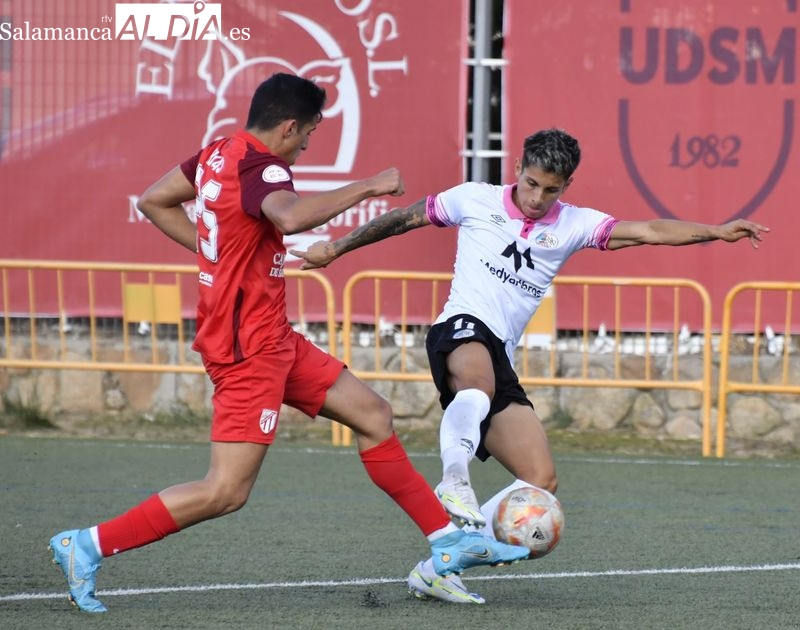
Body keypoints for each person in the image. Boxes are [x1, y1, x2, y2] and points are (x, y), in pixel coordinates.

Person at [48, 73, 530, 614]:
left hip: (272, 339)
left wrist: (217, 255)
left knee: (373, 414)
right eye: (308, 136)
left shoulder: (217, 153)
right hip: (246, 349)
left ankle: (447, 543)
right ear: (289, 126)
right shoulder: (264, 165)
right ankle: (86, 545)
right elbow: (291, 215)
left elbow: (155, 201)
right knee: (225, 491)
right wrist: (371, 185)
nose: (306, 147)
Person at [291, 127, 770, 604]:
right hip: (461, 327)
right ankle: (454, 480)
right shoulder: (473, 199)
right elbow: (401, 219)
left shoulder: (574, 224)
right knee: (474, 382)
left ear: (567, 186)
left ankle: (442, 565)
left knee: (541, 483)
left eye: (551, 189)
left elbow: (648, 231)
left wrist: (716, 230)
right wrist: (334, 249)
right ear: (517, 168)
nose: (538, 197)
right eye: (532, 183)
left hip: (502, 354)